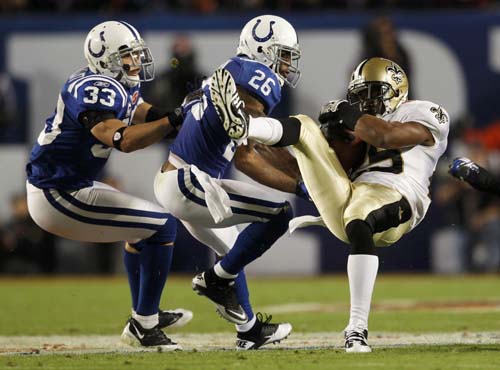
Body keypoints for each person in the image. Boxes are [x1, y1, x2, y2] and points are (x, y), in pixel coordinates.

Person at [211, 57, 450, 352]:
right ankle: (245, 126)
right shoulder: (362, 125)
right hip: (351, 196)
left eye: (374, 93)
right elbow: (332, 168)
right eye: (361, 96)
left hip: (399, 199)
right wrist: (335, 138)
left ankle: (356, 329)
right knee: (304, 126)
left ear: (397, 90)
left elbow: (387, 136)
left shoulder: (426, 112)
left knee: (361, 212)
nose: (368, 102)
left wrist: (349, 116)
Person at [25, 21, 192, 350]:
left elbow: (139, 110)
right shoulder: (95, 88)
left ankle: (143, 316)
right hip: (57, 193)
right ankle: (145, 324)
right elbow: (122, 139)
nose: (137, 60)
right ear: (108, 59)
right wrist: (174, 120)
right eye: (129, 54)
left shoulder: (113, 83)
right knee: (163, 227)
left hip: (71, 185)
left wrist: (184, 114)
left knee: (144, 229)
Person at [154, 15, 303, 350]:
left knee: (234, 250)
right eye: (283, 54)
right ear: (263, 51)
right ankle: (214, 280)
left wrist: (299, 174)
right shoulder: (259, 75)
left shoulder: (229, 70)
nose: (287, 63)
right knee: (279, 214)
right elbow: (248, 157)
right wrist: (299, 185)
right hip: (191, 183)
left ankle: (248, 331)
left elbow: (255, 142)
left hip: (180, 179)